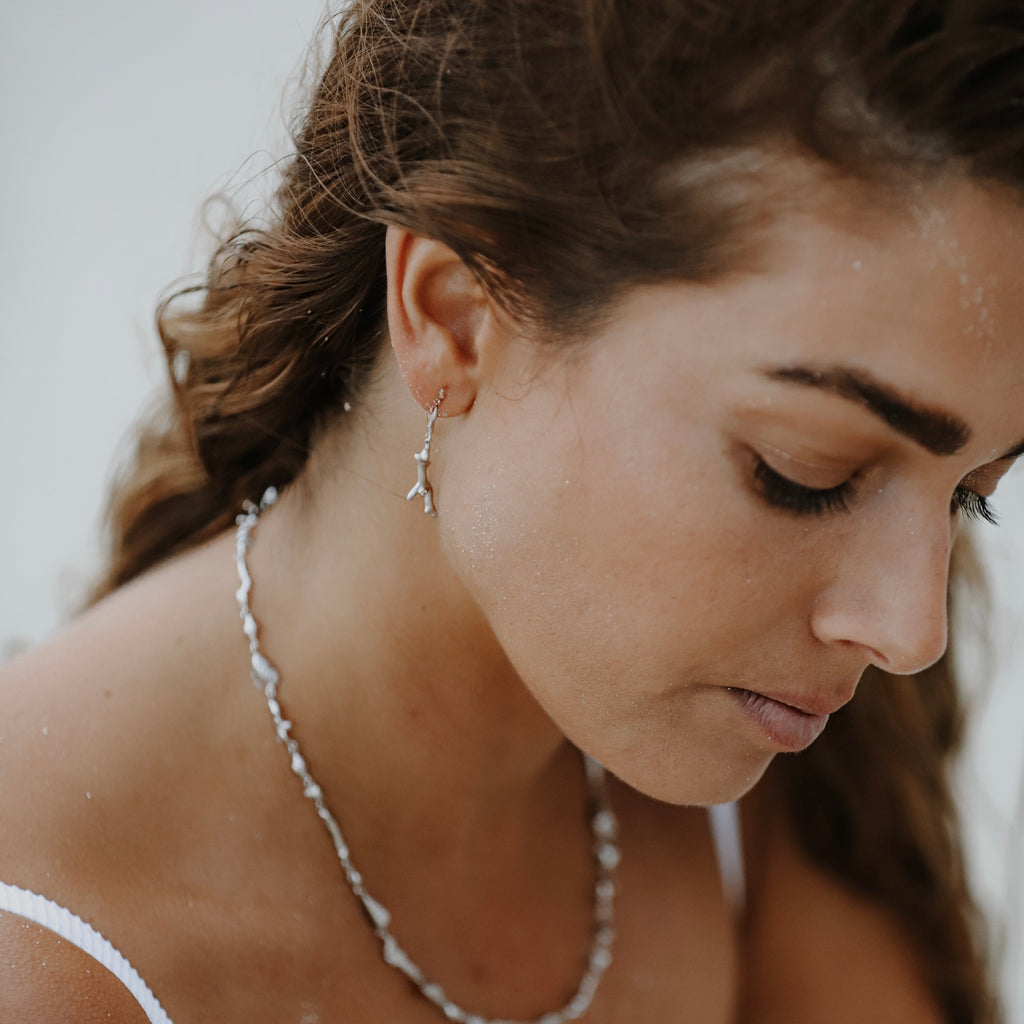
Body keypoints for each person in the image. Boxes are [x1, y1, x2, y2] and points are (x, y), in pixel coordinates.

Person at [1, 0, 1021, 1020]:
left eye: (972, 495)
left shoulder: (772, 752)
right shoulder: (55, 957)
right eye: (801, 471)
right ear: (451, 314)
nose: (908, 631)